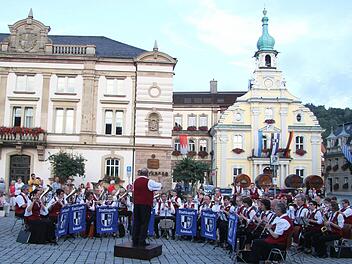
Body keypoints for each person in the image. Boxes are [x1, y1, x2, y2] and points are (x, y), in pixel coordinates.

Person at [132, 168, 162, 247]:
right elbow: (159, 186)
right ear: (147, 174)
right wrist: (159, 179)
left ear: (140, 173)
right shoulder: (149, 181)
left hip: (136, 204)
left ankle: (135, 240)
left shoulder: (135, 181)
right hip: (145, 204)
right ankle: (141, 241)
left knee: (136, 222)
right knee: (144, 223)